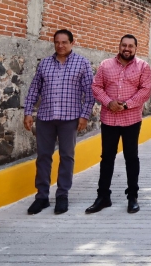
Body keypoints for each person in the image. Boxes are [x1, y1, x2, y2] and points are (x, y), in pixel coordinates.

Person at [23, 29, 95, 215]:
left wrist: (84, 115)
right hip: (45, 117)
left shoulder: (82, 63)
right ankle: (42, 197)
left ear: (72, 43)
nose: (60, 45)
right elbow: (34, 89)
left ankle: (62, 195)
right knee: (43, 157)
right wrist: (28, 112)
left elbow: (90, 93)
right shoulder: (45, 63)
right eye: (57, 42)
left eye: (64, 42)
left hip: (70, 118)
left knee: (67, 156)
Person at [86, 34, 151, 214]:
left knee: (131, 158)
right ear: (119, 46)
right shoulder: (105, 65)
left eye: (131, 46)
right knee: (107, 157)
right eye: (124, 45)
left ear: (136, 48)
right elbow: (96, 87)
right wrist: (109, 103)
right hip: (109, 119)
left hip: (131, 119)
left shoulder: (143, 66)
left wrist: (126, 105)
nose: (127, 49)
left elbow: (145, 90)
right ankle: (103, 197)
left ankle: (132, 197)